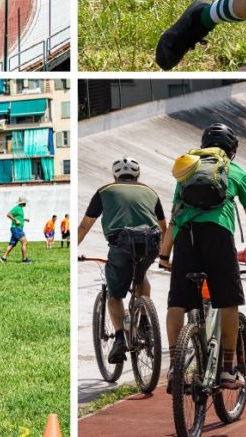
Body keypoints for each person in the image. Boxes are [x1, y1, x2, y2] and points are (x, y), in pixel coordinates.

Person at [158, 123, 246, 389]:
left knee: (177, 302)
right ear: (232, 151)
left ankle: (174, 368)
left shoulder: (188, 169)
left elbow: (175, 217)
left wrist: (164, 255)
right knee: (227, 301)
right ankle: (227, 368)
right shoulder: (237, 173)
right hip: (218, 235)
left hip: (186, 237)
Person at [78, 156, 167, 364]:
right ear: (138, 175)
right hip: (150, 244)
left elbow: (84, 226)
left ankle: (119, 338)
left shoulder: (104, 191)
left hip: (121, 245)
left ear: (114, 175)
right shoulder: (150, 192)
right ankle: (145, 322)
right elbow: (164, 227)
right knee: (141, 275)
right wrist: (165, 255)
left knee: (115, 295)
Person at [0, 197, 32, 263]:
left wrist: (24, 219)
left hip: (16, 228)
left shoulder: (20, 209)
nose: (26, 203)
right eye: (25, 202)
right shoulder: (17, 208)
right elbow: (8, 214)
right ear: (22, 202)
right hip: (17, 228)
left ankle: (3, 258)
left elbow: (18, 218)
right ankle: (24, 260)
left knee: (12, 244)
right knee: (24, 242)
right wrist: (15, 220)